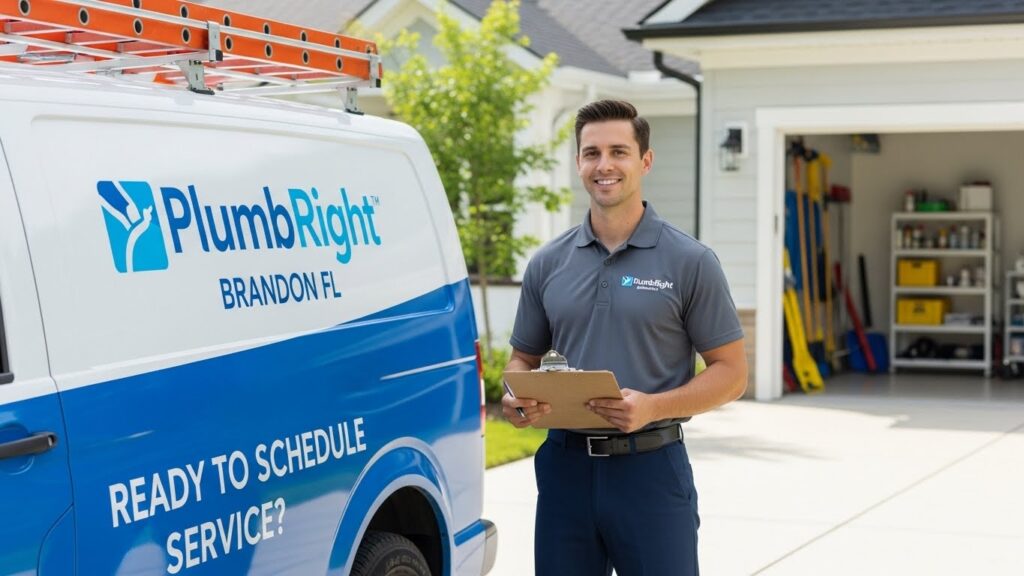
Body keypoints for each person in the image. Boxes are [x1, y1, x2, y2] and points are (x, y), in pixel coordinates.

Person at [502, 100, 748, 576]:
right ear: (578, 164)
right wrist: (517, 396)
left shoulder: (690, 261)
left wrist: (653, 406)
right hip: (564, 470)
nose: (604, 165)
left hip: (651, 471)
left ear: (645, 161)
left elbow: (732, 373)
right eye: (591, 153)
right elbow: (521, 361)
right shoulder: (548, 263)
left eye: (619, 151)